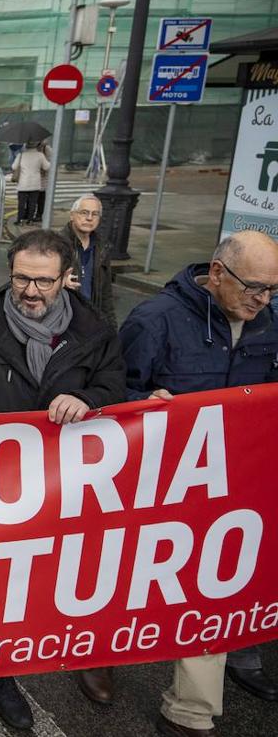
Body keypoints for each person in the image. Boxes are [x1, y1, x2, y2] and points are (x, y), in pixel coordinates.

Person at [0, 228, 126, 733]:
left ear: (66, 280)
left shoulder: (96, 331)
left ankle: (81, 648)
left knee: (68, 570)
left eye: (43, 282)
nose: (31, 291)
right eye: (21, 279)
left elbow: (117, 390)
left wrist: (90, 401)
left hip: (68, 483)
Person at [119, 230, 278, 737]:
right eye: (254, 286)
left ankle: (191, 712)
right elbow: (114, 390)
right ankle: (95, 653)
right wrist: (140, 403)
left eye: (272, 289)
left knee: (219, 583)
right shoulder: (154, 321)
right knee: (135, 582)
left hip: (239, 486)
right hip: (162, 485)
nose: (263, 299)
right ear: (216, 273)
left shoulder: (270, 323)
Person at [60, 194, 115, 326]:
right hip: (63, 320)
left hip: (90, 320)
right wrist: (59, 282)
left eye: (95, 214)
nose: (89, 218)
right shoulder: (56, 244)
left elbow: (106, 294)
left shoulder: (102, 247)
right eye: (84, 212)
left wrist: (111, 329)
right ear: (72, 215)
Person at [12, 141, 48, 224]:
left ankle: (20, 219)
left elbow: (14, 166)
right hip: (35, 183)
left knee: (21, 203)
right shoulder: (40, 155)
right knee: (33, 202)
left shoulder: (21, 155)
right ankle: (30, 219)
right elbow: (46, 167)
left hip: (23, 183)